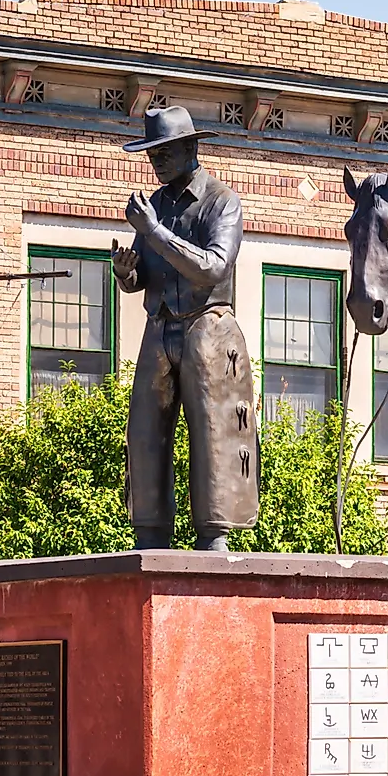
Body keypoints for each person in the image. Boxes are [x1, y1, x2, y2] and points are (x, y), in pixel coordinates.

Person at [113, 106, 260, 549]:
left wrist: (155, 232)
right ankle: (150, 533)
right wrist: (126, 272)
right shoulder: (154, 206)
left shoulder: (221, 202)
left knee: (216, 433)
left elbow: (213, 267)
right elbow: (144, 275)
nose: (156, 161)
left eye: (164, 151)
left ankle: (214, 538)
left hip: (207, 328)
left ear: (191, 147)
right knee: (144, 431)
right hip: (158, 326)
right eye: (150, 153)